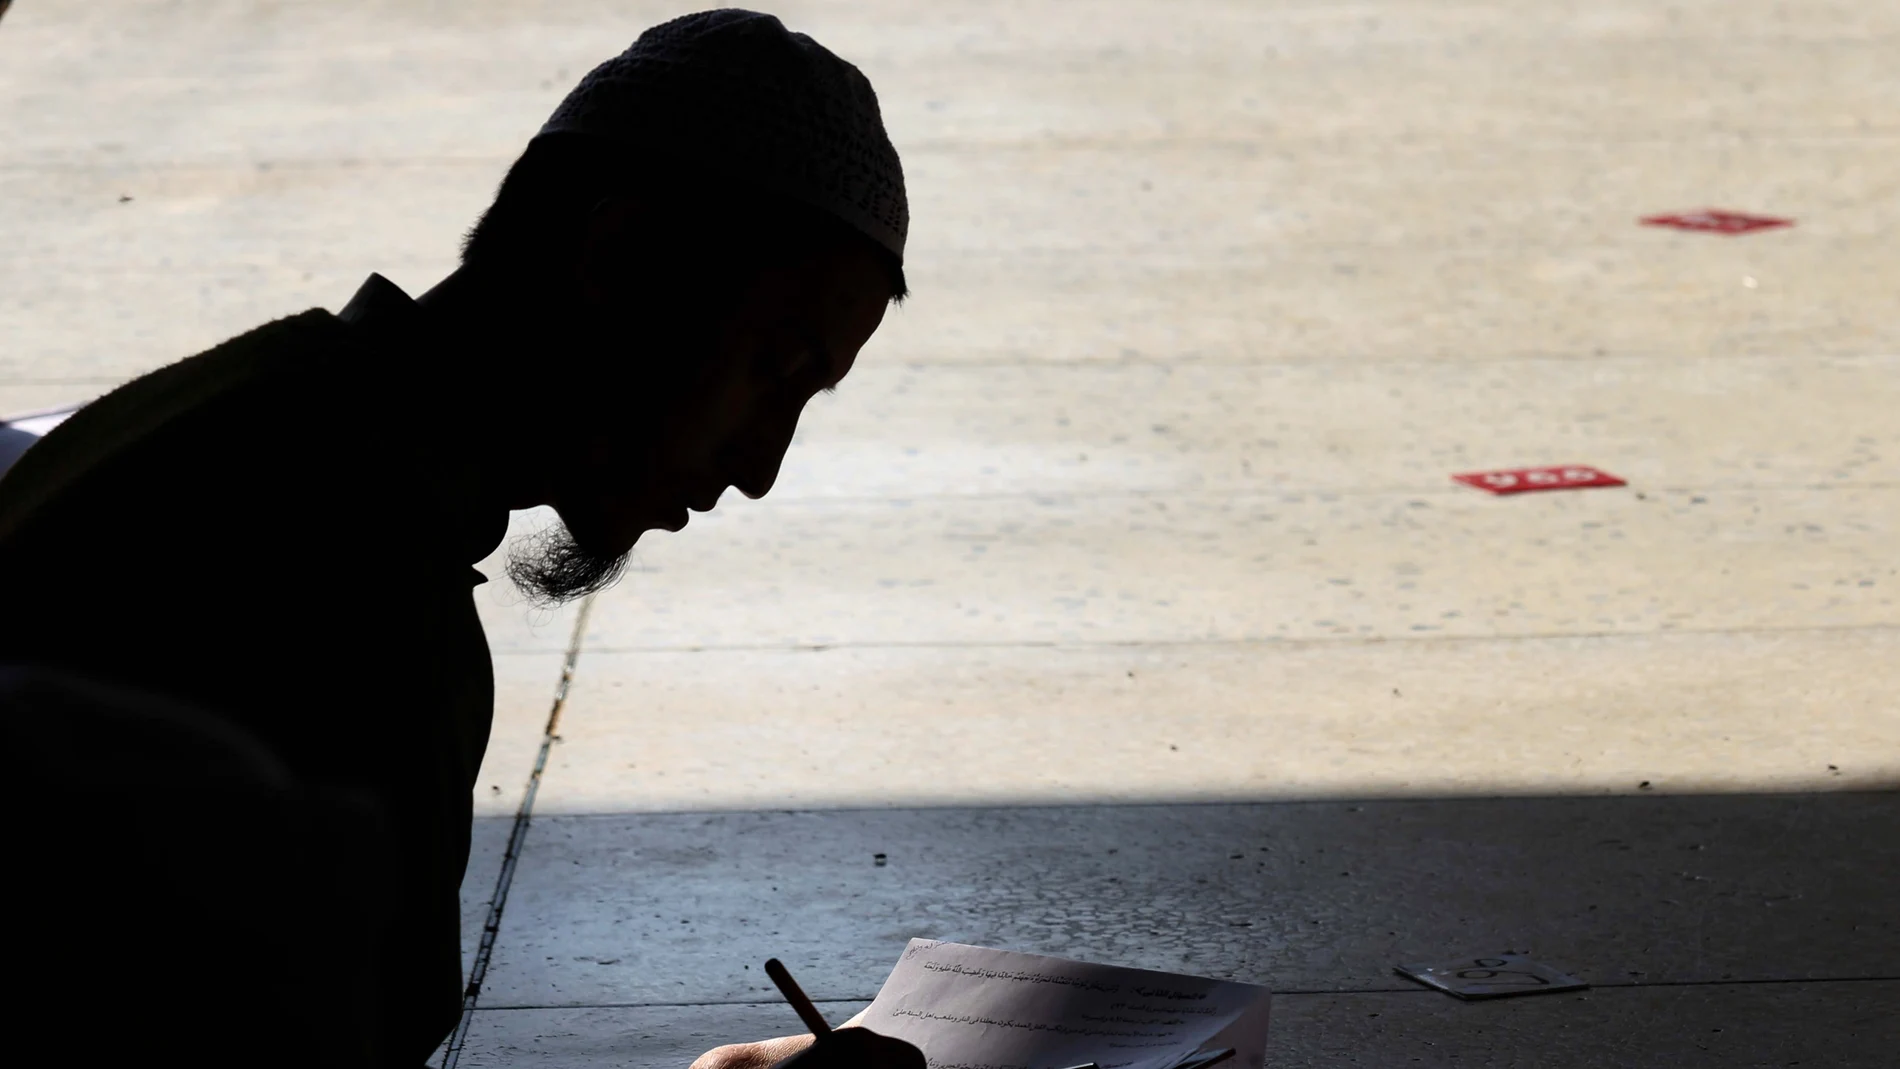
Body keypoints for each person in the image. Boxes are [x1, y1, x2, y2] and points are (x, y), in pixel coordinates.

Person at [0, 10, 921, 1069]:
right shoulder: (329, 579)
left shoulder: (257, 424)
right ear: (619, 259)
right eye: (773, 370)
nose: (761, 466)